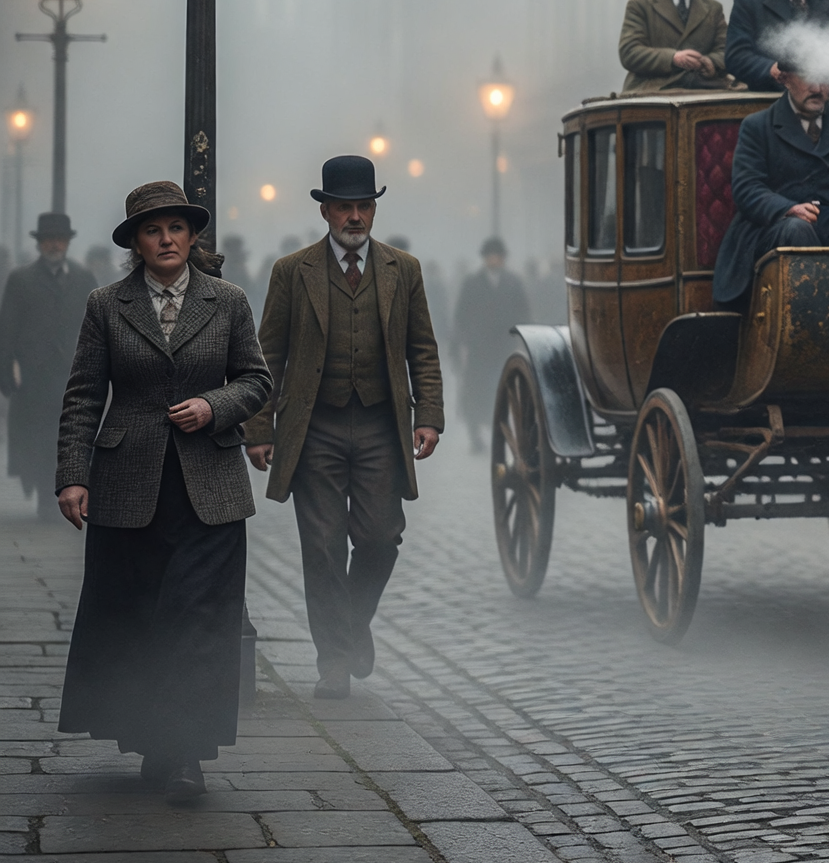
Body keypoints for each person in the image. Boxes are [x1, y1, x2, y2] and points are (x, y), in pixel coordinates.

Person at [53, 181, 271, 800]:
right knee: (145, 617)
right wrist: (73, 475)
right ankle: (157, 740)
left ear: (193, 236)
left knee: (197, 618)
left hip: (212, 490)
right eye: (153, 231)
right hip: (129, 489)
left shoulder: (227, 301)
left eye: (176, 228)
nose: (167, 239)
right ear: (136, 244)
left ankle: (187, 757)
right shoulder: (106, 305)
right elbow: (84, 394)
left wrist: (213, 404)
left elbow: (256, 380)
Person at [247, 155, 444, 700]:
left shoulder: (404, 270)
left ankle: (353, 624)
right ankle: (334, 659)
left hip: (382, 424)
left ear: (374, 210)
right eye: (343, 207)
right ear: (326, 211)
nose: (354, 217)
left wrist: (428, 415)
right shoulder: (293, 272)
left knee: (381, 536)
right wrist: (260, 426)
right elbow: (269, 352)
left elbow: (422, 349)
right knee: (323, 545)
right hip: (315, 428)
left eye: (363, 206)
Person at [712, 61, 829, 306]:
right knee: (797, 230)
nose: (818, 88)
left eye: (825, 78)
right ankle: (802, 320)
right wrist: (787, 208)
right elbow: (747, 187)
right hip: (773, 228)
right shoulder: (757, 126)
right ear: (785, 78)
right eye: (809, 78)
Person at [1, 212, 98, 506]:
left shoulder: (83, 278)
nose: (54, 245)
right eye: (48, 240)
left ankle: (58, 489)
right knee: (39, 436)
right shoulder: (21, 279)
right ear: (39, 244)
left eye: (59, 239)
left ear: (67, 243)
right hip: (34, 374)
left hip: (72, 372)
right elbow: (7, 330)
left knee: (68, 433)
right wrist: (6, 373)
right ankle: (43, 489)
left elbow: (96, 324)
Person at [453, 237, 533, 454]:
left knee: (503, 389)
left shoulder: (513, 282)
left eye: (498, 256)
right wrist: (462, 341)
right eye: (490, 256)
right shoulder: (471, 282)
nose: (494, 260)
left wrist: (522, 338)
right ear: (485, 258)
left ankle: (502, 430)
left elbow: (523, 312)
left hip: (503, 346)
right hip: (479, 347)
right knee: (474, 391)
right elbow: (461, 315)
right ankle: (474, 435)